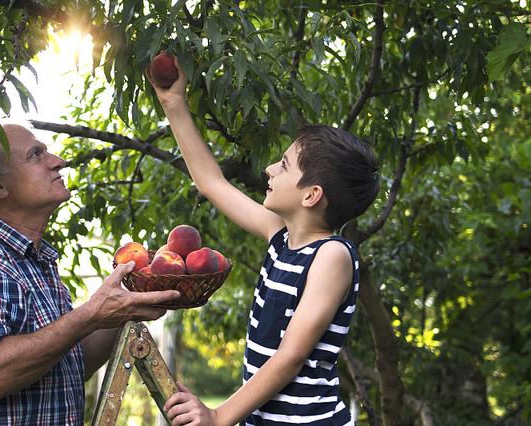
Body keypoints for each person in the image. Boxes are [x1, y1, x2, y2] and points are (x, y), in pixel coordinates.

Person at [148, 61, 379, 425]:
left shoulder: (332, 255)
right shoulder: (281, 238)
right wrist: (173, 102)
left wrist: (220, 416)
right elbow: (212, 183)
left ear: (311, 195)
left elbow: (291, 356)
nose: (270, 168)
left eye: (284, 165)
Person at [0, 123, 180, 425]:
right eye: (36, 154)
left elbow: (69, 365)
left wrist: (129, 303)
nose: (58, 160)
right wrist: (91, 313)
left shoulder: (37, 262)